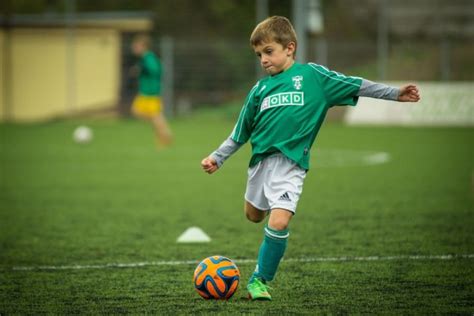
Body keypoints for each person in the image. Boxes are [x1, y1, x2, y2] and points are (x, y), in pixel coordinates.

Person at [201, 16, 420, 301]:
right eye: (258, 55)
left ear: (289, 48)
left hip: (291, 165)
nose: (263, 60)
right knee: (253, 215)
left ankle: (260, 280)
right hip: (260, 165)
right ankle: (269, 212)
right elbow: (240, 132)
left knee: (278, 223)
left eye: (269, 52)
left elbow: (356, 84)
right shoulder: (259, 90)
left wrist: (394, 93)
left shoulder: (313, 77)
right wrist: (217, 158)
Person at [131, 34, 172, 147]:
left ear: (143, 46)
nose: (134, 48)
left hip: (150, 92)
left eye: (136, 46)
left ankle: (165, 134)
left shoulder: (148, 57)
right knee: (140, 113)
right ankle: (164, 133)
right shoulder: (145, 58)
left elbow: (156, 70)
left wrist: (142, 69)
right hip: (146, 91)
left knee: (153, 115)